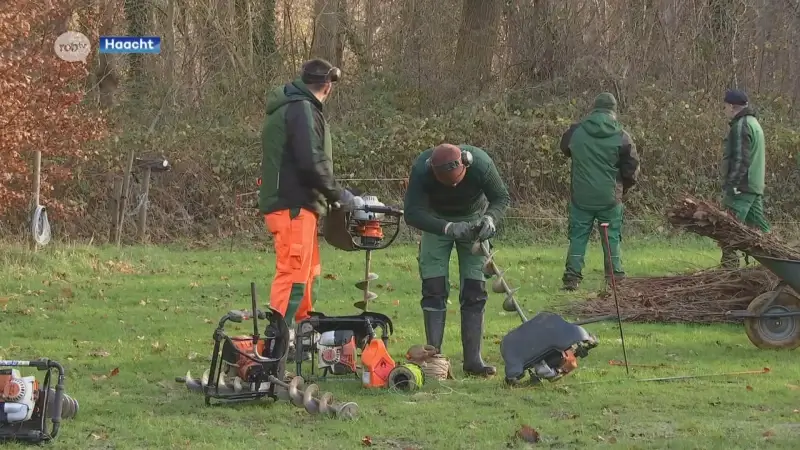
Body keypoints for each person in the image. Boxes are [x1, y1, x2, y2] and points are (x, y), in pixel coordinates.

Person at [258, 58, 355, 327]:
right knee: (294, 276)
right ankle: (276, 346)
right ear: (328, 86)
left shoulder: (295, 107)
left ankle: (299, 335)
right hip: (293, 204)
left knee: (308, 273)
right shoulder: (302, 110)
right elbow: (311, 161)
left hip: (300, 204)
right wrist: (339, 195)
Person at [403, 143, 511, 377]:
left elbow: (501, 197)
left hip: (474, 221)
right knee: (433, 287)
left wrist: (490, 220)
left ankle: (473, 361)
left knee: (475, 289)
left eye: (457, 180)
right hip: (436, 223)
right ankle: (435, 359)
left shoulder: (481, 164)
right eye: (447, 182)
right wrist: (448, 227)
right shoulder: (422, 169)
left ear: (466, 164)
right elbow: (411, 213)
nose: (453, 186)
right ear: (433, 171)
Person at [558, 92, 640, 291]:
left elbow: (564, 148)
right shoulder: (622, 135)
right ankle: (615, 278)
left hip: (581, 196)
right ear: (613, 111)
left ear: (594, 108)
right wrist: (623, 190)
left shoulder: (576, 131)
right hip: (610, 197)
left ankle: (572, 278)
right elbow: (632, 169)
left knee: (578, 236)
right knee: (611, 236)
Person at [719, 89, 770, 268]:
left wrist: (732, 184)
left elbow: (741, 159)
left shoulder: (741, 125)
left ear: (733, 106)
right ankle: (780, 263)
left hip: (742, 187)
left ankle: (728, 271)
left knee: (728, 229)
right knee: (762, 231)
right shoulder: (754, 122)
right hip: (754, 186)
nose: (724, 109)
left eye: (725, 106)